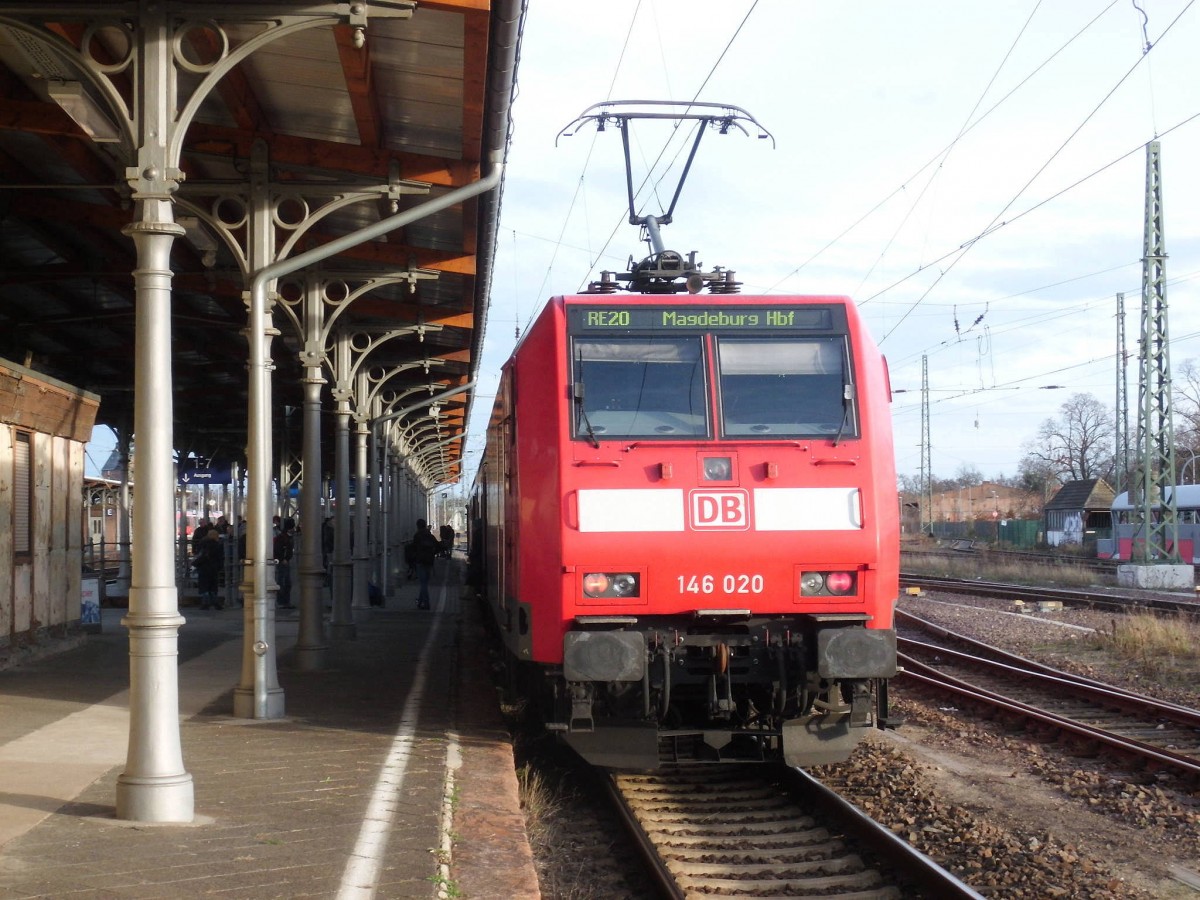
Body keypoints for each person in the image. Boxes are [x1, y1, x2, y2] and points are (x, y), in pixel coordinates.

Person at [409, 518, 441, 610]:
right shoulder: (429, 535)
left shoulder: (417, 535)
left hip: (420, 561)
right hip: (429, 561)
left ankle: (426, 603)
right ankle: (420, 602)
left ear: (417, 526)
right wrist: (433, 554)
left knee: (423, 583)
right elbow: (437, 546)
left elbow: (414, 548)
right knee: (425, 582)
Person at [192, 529, 224, 610]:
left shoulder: (203, 543)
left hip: (203, 567)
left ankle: (205, 603)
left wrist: (195, 563)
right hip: (214, 568)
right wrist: (219, 567)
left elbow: (200, 555)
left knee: (204, 586)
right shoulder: (218, 545)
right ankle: (215, 602)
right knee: (213, 586)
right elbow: (220, 558)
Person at [273, 516, 296, 608]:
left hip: (284, 561)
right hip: (283, 562)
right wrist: (283, 559)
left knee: (285, 582)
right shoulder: (284, 537)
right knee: (284, 582)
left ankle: (284, 601)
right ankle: (283, 601)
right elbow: (278, 549)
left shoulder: (284, 536)